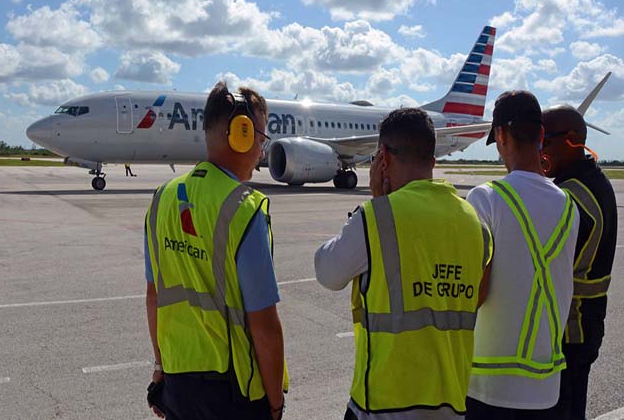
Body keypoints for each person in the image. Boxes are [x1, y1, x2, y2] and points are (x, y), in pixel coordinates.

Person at [315, 108, 493, 420]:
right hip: (450, 405)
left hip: (383, 406)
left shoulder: (377, 218)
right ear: (433, 161)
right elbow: (477, 295)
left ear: (382, 157)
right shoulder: (475, 224)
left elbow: (327, 272)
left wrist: (376, 203)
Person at [144, 82, 288, 420]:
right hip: (233, 391)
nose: (261, 152)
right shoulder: (245, 208)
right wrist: (275, 403)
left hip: (178, 384)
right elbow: (264, 325)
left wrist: (161, 366)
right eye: (261, 138)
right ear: (242, 134)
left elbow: (154, 297)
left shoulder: (162, 199)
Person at [465, 91, 580, 419]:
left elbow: (475, 292)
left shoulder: (485, 199)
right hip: (546, 387)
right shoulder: (569, 206)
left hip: (490, 388)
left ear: (500, 135)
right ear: (541, 135)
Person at [541, 105, 617, 420]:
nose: (539, 151)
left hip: (572, 329)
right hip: (584, 326)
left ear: (572, 139)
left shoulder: (572, 196)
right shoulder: (590, 181)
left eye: (544, 141)